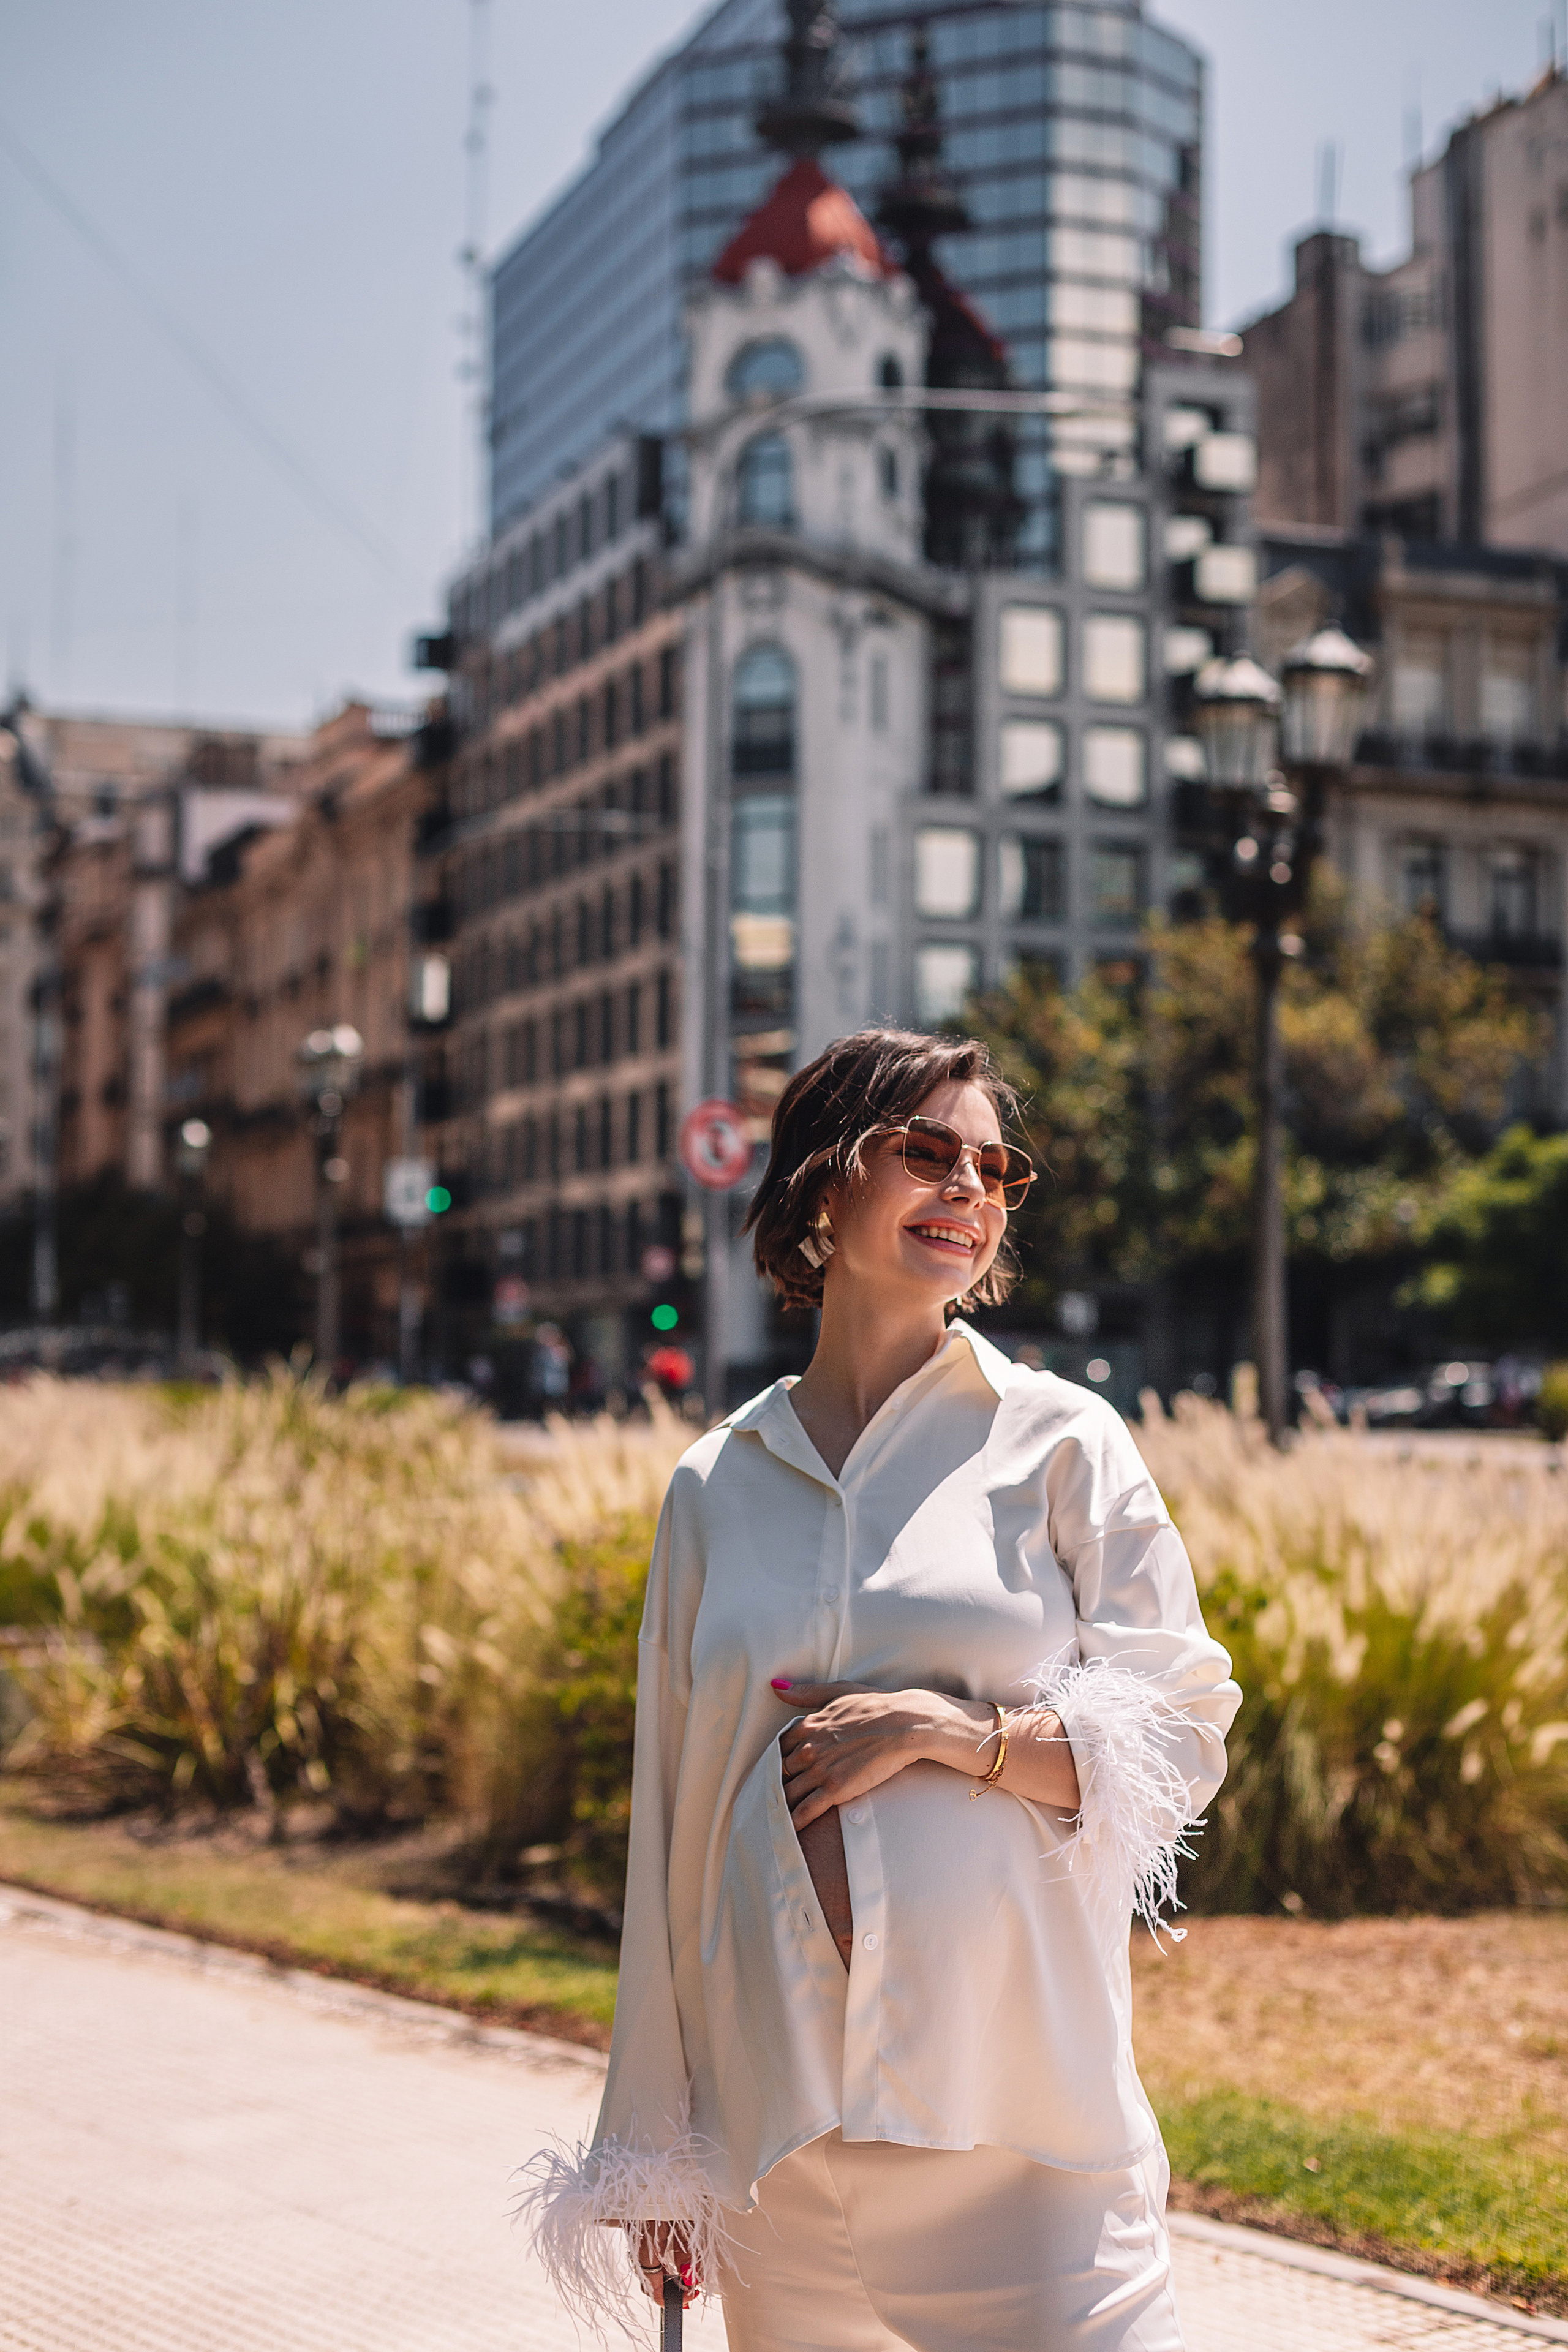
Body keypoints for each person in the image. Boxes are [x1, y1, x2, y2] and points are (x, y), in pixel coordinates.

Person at [518, 1029, 1241, 2351]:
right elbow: (669, 1833)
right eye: (925, 1152)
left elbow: (1181, 1730)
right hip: (781, 2151)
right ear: (819, 1187)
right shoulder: (713, 1484)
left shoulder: (1063, 1442)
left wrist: (946, 1735)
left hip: (1026, 2140)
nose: (967, 1187)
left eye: (993, 1167)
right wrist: (653, 2154)